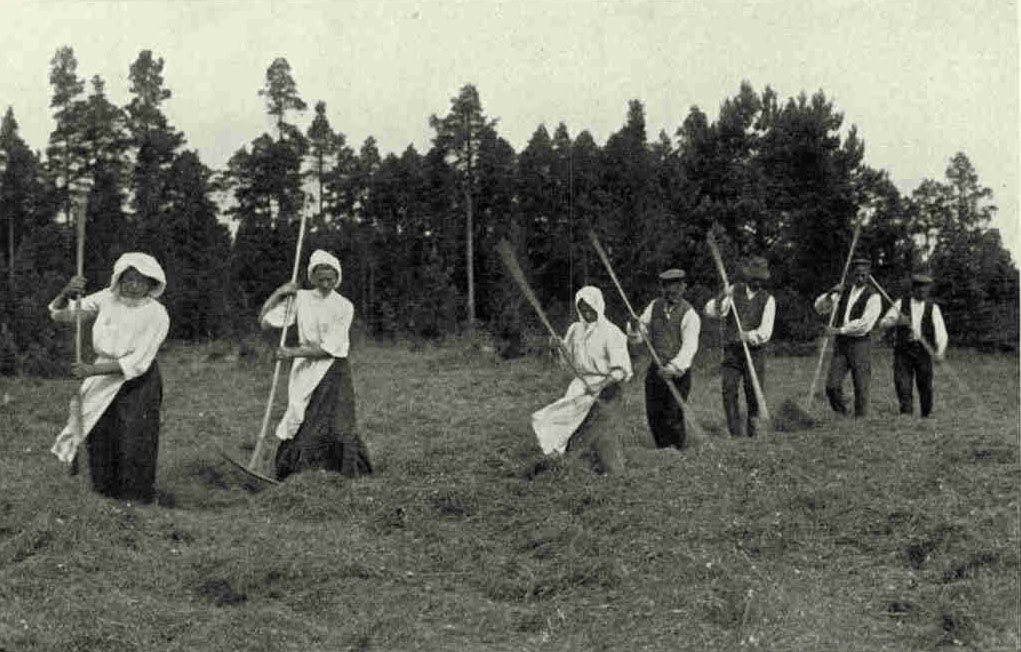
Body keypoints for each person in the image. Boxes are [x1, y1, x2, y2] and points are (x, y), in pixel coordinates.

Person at [49, 252, 169, 503]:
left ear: (151, 283)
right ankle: (103, 494)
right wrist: (66, 293)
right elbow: (64, 314)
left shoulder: (157, 314)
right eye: (128, 278)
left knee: (134, 437)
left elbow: (138, 362)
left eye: (140, 280)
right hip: (101, 375)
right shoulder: (107, 298)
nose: (133, 285)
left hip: (137, 383)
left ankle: (136, 499)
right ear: (118, 279)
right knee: (101, 432)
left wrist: (91, 371)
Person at [259, 249, 371, 481]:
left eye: (331, 279)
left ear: (338, 277)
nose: (326, 284)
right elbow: (265, 323)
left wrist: (291, 352)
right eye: (321, 279)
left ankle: (341, 475)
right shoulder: (301, 299)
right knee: (301, 418)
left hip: (334, 370)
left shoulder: (344, 306)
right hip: (305, 371)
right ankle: (300, 476)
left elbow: (328, 348)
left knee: (338, 423)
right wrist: (280, 293)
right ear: (313, 277)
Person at [531, 286, 633, 473]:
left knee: (598, 429)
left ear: (599, 306)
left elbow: (621, 369)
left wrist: (601, 385)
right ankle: (561, 457)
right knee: (556, 419)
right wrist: (559, 348)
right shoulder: (575, 330)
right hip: (581, 388)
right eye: (582, 309)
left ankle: (609, 466)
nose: (587, 313)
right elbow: (568, 364)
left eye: (590, 309)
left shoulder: (611, 332)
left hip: (607, 388)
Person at [627, 268, 701, 449]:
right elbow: (639, 335)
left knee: (673, 414)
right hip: (656, 369)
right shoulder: (654, 306)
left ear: (684, 288)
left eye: (677, 287)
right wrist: (635, 328)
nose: (672, 292)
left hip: (678, 373)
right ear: (663, 289)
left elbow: (689, 347)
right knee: (654, 413)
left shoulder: (690, 315)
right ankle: (662, 450)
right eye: (668, 288)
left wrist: (674, 368)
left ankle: (677, 450)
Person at [704, 256, 775, 436]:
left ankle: (754, 431)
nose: (757, 282)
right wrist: (721, 297)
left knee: (752, 393)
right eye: (754, 278)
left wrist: (749, 335)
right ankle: (735, 433)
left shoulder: (768, 300)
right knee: (728, 391)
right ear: (748, 277)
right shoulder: (734, 290)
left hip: (755, 353)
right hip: (732, 353)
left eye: (761, 279)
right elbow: (712, 312)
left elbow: (765, 332)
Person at [813, 258, 883, 417]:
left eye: (864, 275)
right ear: (852, 274)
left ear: (869, 275)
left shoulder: (874, 296)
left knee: (861, 385)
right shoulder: (842, 291)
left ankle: (860, 420)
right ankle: (842, 413)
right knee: (832, 386)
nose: (860, 278)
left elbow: (864, 324)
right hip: (841, 345)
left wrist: (839, 330)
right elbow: (819, 308)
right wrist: (830, 293)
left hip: (860, 343)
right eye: (857, 274)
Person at [877, 273, 948, 417]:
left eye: (925, 289)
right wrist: (897, 321)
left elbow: (941, 332)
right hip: (903, 350)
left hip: (924, 351)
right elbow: (882, 324)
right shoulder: (900, 304)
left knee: (925, 385)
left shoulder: (932, 308)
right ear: (913, 289)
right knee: (902, 383)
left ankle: (926, 415)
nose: (922, 291)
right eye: (919, 288)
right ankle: (906, 414)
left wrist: (940, 352)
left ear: (928, 290)